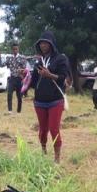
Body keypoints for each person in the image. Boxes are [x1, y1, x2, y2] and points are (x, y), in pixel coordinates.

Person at [30, 31, 70, 163]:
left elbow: (63, 77)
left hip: (55, 100)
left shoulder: (60, 58)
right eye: (41, 43)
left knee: (54, 128)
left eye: (45, 43)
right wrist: (24, 76)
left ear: (51, 44)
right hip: (39, 101)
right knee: (42, 129)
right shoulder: (39, 61)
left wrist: (50, 75)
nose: (43, 45)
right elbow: (34, 81)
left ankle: (57, 158)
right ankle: (43, 150)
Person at [1, 43, 27, 114]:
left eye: (16, 49)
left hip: (19, 78)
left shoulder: (22, 58)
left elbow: (24, 68)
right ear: (12, 50)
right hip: (12, 78)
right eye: (14, 49)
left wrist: (21, 70)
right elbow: (2, 65)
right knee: (9, 94)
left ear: (18, 49)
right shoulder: (9, 58)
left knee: (19, 96)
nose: (15, 50)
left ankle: (19, 111)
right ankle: (10, 110)